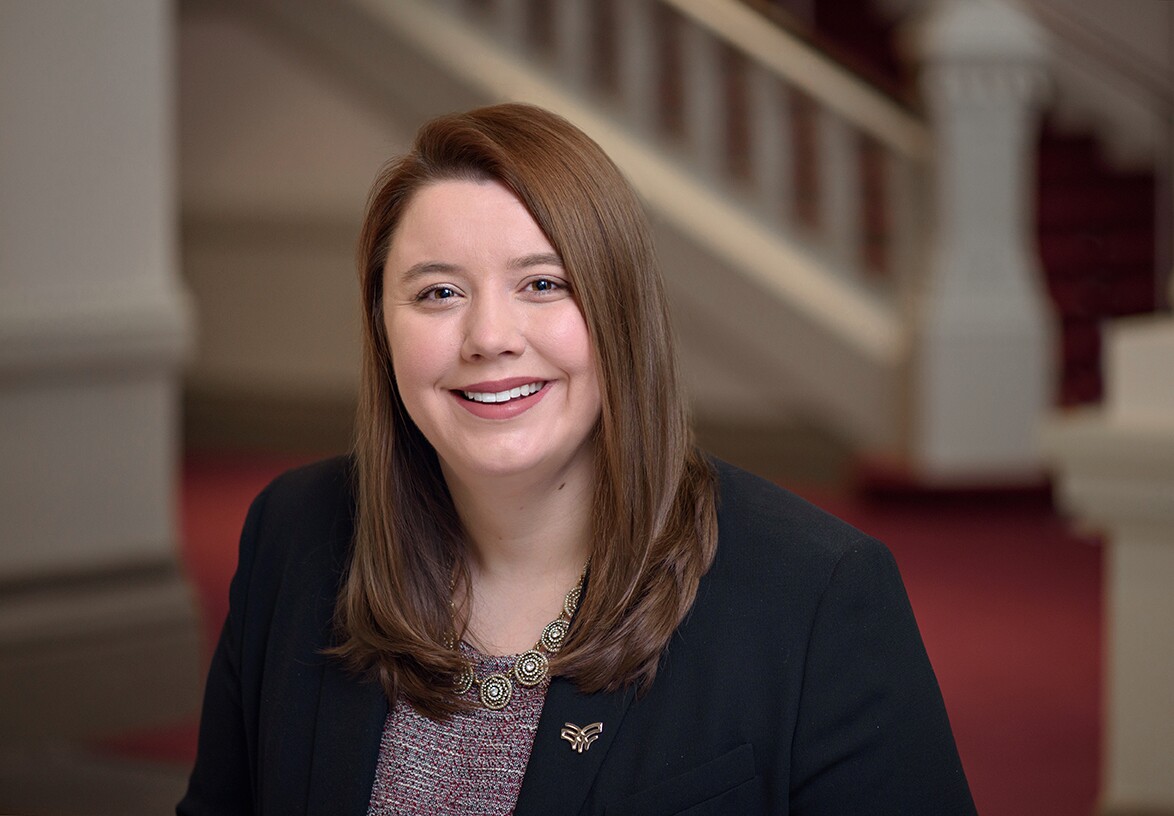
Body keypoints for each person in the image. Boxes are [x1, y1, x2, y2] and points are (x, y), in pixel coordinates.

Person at [178, 102, 977, 816]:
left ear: (619, 313)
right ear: (382, 329)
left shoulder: (816, 593)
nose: (489, 337)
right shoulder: (294, 534)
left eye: (542, 284)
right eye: (438, 293)